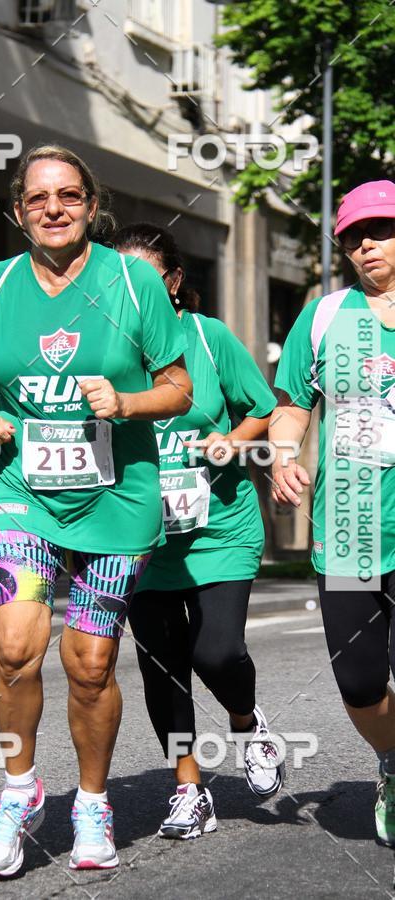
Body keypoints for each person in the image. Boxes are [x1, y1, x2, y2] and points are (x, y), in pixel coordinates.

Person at [0, 146, 192, 875]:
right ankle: (19, 792)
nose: (54, 208)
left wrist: (129, 402)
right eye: (38, 198)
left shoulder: (134, 283)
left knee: (90, 663)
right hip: (20, 493)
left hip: (118, 498)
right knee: (15, 646)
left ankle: (91, 802)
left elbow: (179, 386)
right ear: (19, 210)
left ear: (92, 205)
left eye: (69, 196)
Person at [113, 223, 284, 841]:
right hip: (141, 538)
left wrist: (232, 441)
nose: (133, 292)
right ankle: (188, 788)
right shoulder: (105, 348)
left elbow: (262, 407)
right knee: (162, 670)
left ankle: (246, 721)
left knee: (217, 653)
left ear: (175, 281)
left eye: (146, 278)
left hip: (219, 530)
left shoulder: (207, 338)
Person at [270, 180, 395, 847]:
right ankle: (392, 762)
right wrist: (282, 454)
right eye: (352, 236)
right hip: (349, 529)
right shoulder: (322, 318)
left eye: (380, 230)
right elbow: (292, 403)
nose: (365, 244)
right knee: (359, 681)